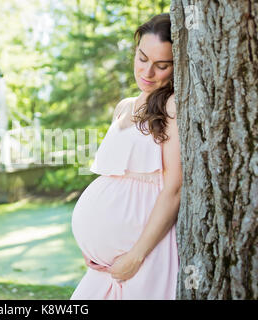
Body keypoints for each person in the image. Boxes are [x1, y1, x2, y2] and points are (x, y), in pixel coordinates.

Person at [70, 13, 182, 300]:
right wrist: (93, 244)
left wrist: (135, 256)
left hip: (145, 254)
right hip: (102, 266)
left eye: (162, 65)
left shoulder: (172, 107)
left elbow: (174, 189)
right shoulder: (124, 106)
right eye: (142, 58)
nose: (147, 72)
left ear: (178, 66)